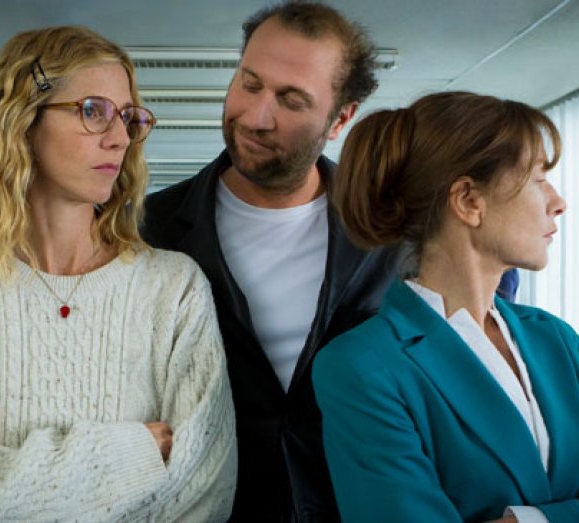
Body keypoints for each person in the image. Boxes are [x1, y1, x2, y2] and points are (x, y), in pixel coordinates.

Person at [0, 26, 236, 521]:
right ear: (23, 121)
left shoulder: (174, 289)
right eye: (93, 111)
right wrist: (130, 452)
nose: (119, 138)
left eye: (128, 117)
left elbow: (202, 492)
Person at [313, 91, 579, 521]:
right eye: (539, 180)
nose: (558, 203)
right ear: (469, 202)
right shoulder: (361, 367)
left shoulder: (556, 340)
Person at [143, 2, 406, 519]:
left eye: (291, 100)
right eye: (250, 84)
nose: (256, 117)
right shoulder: (147, 230)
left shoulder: (392, 235)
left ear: (341, 118)